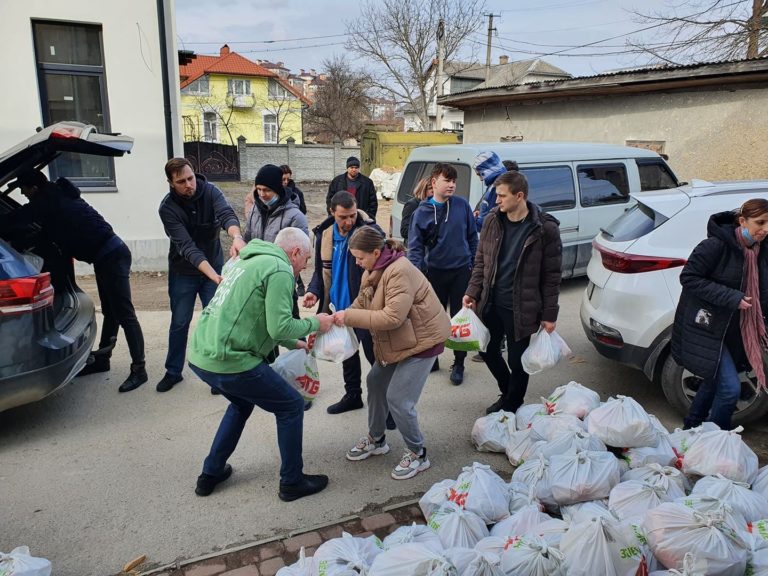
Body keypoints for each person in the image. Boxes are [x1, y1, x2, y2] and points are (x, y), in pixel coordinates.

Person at [188, 228, 335, 500]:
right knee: (291, 406)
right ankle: (292, 481)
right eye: (306, 259)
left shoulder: (248, 261)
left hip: (201, 355)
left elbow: (258, 315)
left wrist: (296, 343)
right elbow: (279, 327)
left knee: (241, 403)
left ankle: (211, 473)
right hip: (231, 359)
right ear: (295, 252)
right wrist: (317, 322)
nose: (305, 266)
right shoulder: (280, 269)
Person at [2, 169, 147, 393]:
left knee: (125, 314)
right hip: (106, 255)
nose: (22, 192)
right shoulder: (58, 195)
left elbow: (18, 219)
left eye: (24, 188)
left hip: (111, 256)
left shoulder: (47, 202)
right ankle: (103, 359)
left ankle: (140, 369)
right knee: (111, 311)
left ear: (34, 188)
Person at [333, 226, 450, 480]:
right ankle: (377, 440)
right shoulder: (372, 270)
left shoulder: (400, 270)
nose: (356, 262)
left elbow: (393, 317)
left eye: (360, 257)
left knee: (399, 399)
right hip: (401, 342)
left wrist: (349, 316)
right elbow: (361, 304)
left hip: (423, 342)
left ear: (376, 252)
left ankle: (418, 453)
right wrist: (337, 319)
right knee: (375, 381)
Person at [463, 171, 563, 414]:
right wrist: (472, 292)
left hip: (522, 306)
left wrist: (550, 314)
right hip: (491, 302)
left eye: (501, 196)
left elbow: (552, 276)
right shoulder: (492, 220)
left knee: (518, 361)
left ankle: (512, 404)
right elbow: (481, 261)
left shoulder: (544, 229)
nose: (497, 201)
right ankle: (508, 391)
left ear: (519, 196)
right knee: (486, 349)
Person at [672, 199, 768, 431]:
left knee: (713, 381)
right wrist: (732, 297)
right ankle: (713, 440)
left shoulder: (761, 250)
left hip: (736, 330)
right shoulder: (715, 245)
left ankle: (692, 427)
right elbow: (689, 278)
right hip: (706, 327)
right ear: (742, 221)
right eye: (760, 222)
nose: (765, 229)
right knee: (730, 389)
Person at [158, 158, 246, 393]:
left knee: (217, 321)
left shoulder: (211, 191)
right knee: (180, 321)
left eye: (190, 178)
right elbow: (187, 248)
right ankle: (173, 371)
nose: (189, 184)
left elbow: (227, 214)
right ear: (171, 183)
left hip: (214, 268)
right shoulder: (167, 209)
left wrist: (236, 237)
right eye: (181, 182)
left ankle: (218, 372)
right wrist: (214, 277)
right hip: (183, 272)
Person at [303, 191, 382, 416]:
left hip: (364, 308)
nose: (349, 221)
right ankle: (353, 395)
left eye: (352, 215)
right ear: (332, 212)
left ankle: (387, 406)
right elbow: (320, 272)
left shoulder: (367, 232)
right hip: (338, 307)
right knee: (347, 354)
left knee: (376, 357)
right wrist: (313, 292)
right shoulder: (325, 234)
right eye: (343, 217)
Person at [408, 163, 478, 385]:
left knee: (460, 320)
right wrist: (417, 276)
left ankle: (459, 363)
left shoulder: (462, 206)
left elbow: (472, 238)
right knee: (433, 319)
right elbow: (415, 247)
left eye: (454, 181)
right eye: (447, 180)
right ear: (434, 182)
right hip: (434, 273)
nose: (451, 185)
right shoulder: (422, 212)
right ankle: (433, 356)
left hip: (460, 272)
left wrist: (475, 267)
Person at [243, 164, 308, 243]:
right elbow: (247, 240)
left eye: (267, 190)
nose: (262, 194)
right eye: (259, 189)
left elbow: (300, 252)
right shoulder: (254, 209)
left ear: (277, 190)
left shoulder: (295, 217)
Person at [280, 164, 307, 295]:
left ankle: (299, 285)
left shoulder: (296, 193)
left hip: (293, 231)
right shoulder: (274, 193)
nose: (286, 182)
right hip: (279, 234)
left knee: (294, 260)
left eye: (287, 179)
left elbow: (303, 211)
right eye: (283, 179)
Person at [400, 178, 432, 245]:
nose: (433, 191)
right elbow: (404, 230)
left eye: (435, 188)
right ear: (423, 189)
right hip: (415, 247)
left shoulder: (434, 205)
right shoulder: (412, 204)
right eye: (430, 188)